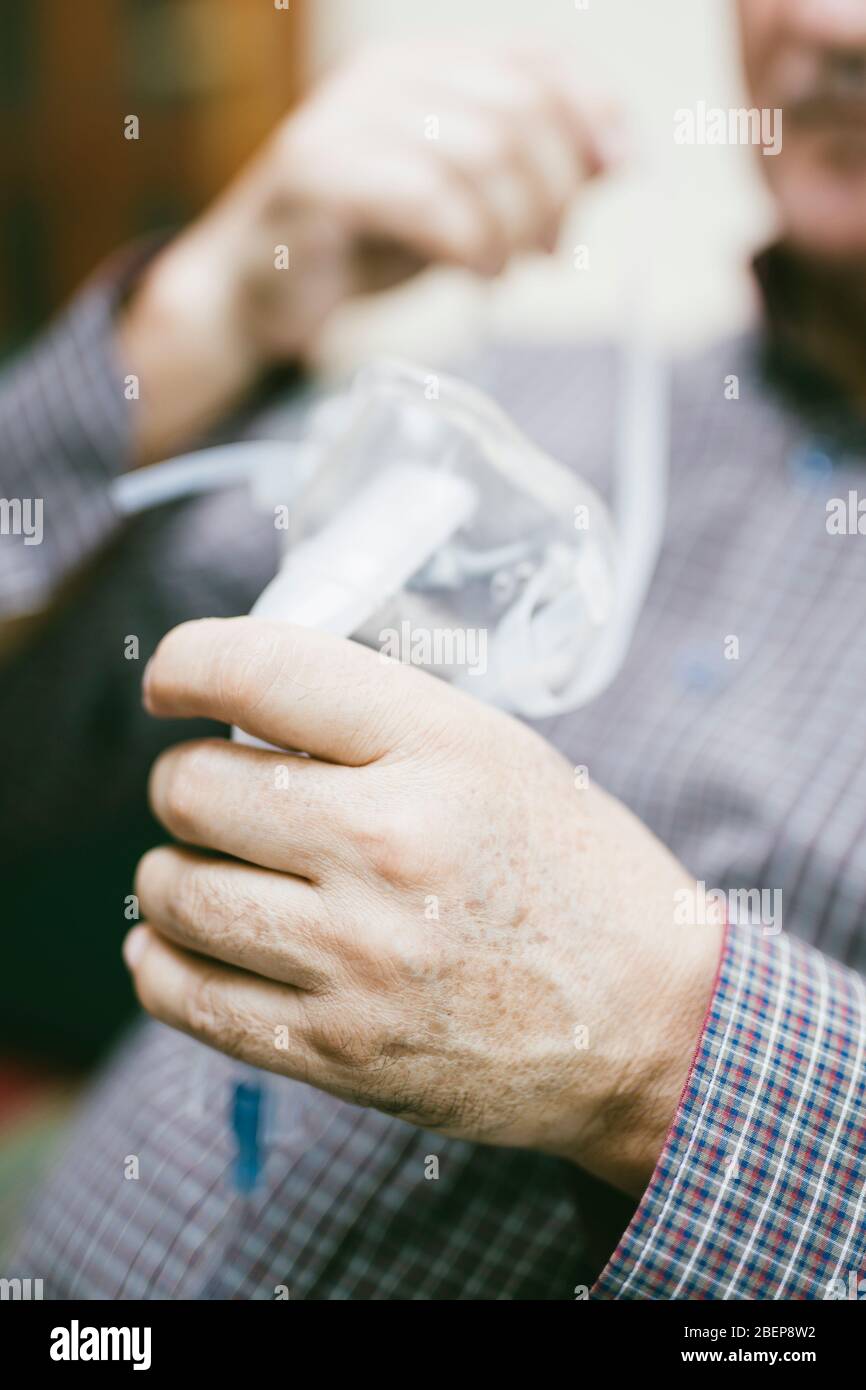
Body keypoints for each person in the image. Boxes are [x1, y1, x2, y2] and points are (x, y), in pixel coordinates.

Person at [7, 0, 866, 1299]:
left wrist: (659, 1040)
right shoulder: (511, 396)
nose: (821, 22)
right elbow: (34, 743)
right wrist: (218, 299)